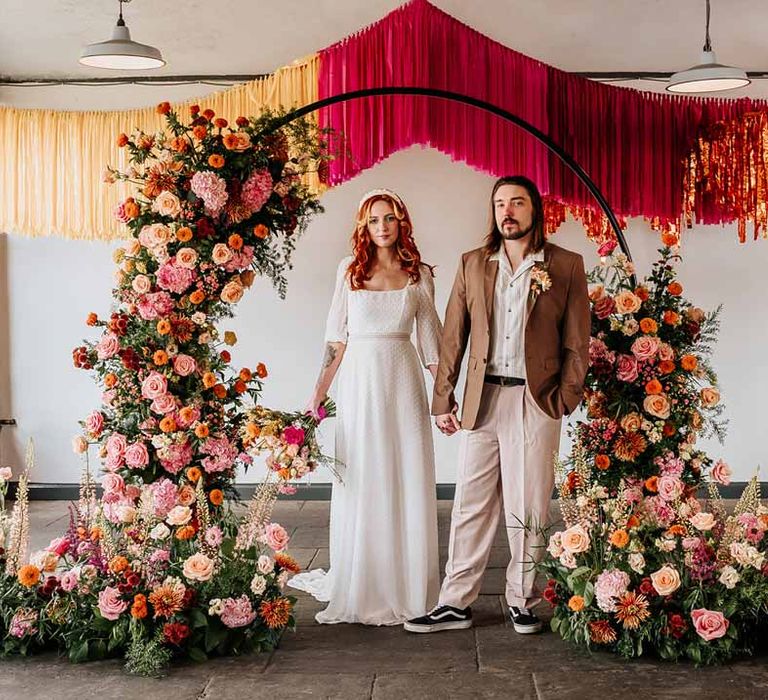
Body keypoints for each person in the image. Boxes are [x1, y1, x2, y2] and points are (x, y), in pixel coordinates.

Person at [404, 175, 590, 635]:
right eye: (500, 203)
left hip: (536, 399)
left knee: (529, 504)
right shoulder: (473, 264)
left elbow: (577, 340)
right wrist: (442, 398)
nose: (507, 211)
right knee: (470, 501)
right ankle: (455, 602)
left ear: (535, 211)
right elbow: (453, 337)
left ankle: (522, 599)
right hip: (481, 398)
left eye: (517, 203)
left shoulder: (565, 265)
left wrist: (565, 398)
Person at [289, 188, 441, 625]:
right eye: (374, 220)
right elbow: (336, 340)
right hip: (359, 383)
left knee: (405, 471)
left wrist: (445, 399)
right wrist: (317, 393)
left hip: (403, 381)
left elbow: (431, 344)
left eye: (389, 218)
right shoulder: (349, 271)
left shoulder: (419, 275)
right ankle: (363, 579)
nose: (382, 227)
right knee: (361, 475)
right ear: (364, 225)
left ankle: (407, 583)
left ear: (402, 222)